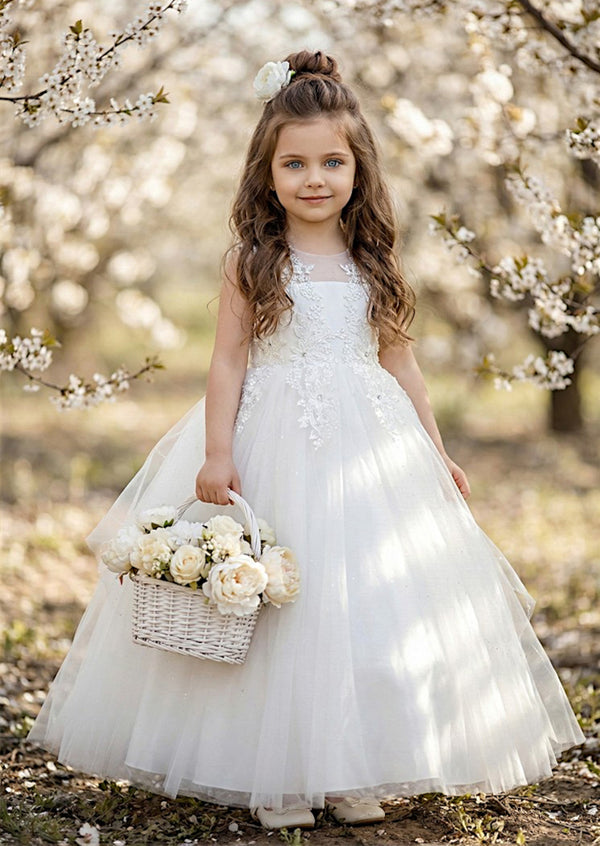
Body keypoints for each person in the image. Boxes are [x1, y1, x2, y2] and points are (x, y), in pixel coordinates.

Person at [27, 50, 584, 832]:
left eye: (332, 161)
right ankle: (274, 770)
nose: (314, 178)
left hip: (370, 448)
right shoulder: (252, 263)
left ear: (359, 170)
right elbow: (226, 361)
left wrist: (436, 447)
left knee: (369, 599)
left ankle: (352, 767)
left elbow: (403, 365)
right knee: (278, 606)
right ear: (268, 173)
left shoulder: (375, 264)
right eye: (295, 163)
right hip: (272, 439)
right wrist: (217, 453)